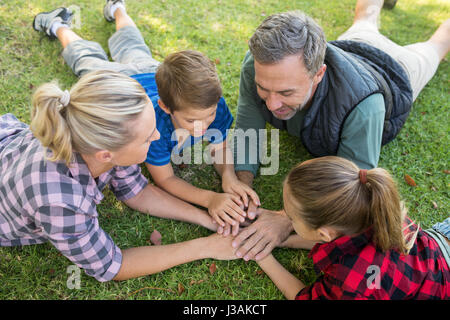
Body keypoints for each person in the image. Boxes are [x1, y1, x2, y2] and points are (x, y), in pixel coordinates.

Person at [231, 0, 450, 261]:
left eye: (286, 92)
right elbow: (247, 127)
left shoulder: (364, 106)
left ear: (318, 74)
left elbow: (351, 183)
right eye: (263, 89)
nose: (271, 103)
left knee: (436, 46)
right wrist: (240, 188)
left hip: (397, 68)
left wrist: (286, 219)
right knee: (365, 19)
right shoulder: (257, 67)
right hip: (353, 45)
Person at [32, 1, 260, 236]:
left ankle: (117, 9)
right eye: (192, 121)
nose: (203, 127)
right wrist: (210, 199)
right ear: (166, 107)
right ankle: (58, 25)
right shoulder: (153, 128)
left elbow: (219, 146)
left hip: (150, 69)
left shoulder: (212, 103)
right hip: (117, 84)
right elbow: (167, 179)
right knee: (85, 58)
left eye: (210, 115)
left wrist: (228, 177)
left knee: (132, 43)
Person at [0, 71, 238, 282]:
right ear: (105, 155)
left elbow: (138, 192)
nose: (157, 137)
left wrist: (206, 218)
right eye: (147, 137)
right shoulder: (61, 202)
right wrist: (206, 246)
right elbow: (113, 266)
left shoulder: (101, 139)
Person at [245, 156, 449, 299]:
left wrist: (262, 256)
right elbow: (335, 242)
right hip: (441, 240)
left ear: (324, 233)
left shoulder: (352, 281)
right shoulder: (370, 205)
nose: (286, 219)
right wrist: (283, 240)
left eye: (290, 217)